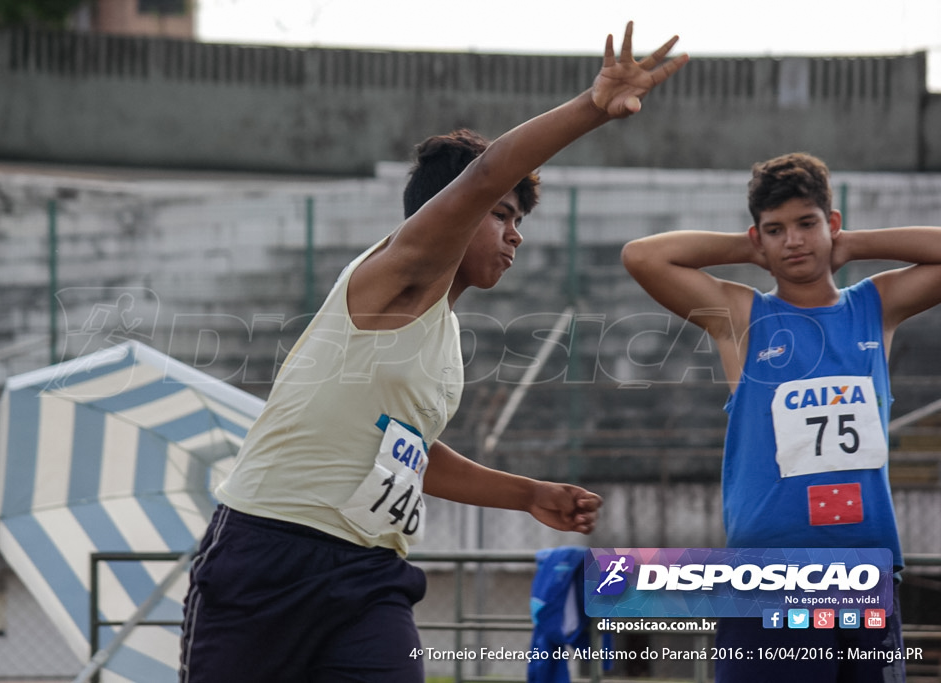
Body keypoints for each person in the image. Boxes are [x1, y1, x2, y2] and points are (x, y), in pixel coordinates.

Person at [178, 22, 688, 683]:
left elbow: (409, 452)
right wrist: (593, 106)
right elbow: (482, 173)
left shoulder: (444, 339)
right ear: (448, 213)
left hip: (368, 574)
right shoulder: (397, 273)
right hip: (269, 552)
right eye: (503, 215)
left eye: (520, 221)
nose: (515, 235)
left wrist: (526, 493)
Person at [621, 151, 941, 682]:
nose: (793, 240)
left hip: (865, 566)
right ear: (758, 237)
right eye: (776, 230)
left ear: (832, 224)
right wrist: (753, 252)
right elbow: (643, 257)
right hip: (770, 570)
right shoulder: (744, 317)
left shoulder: (875, 306)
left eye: (806, 224)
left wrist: (855, 245)